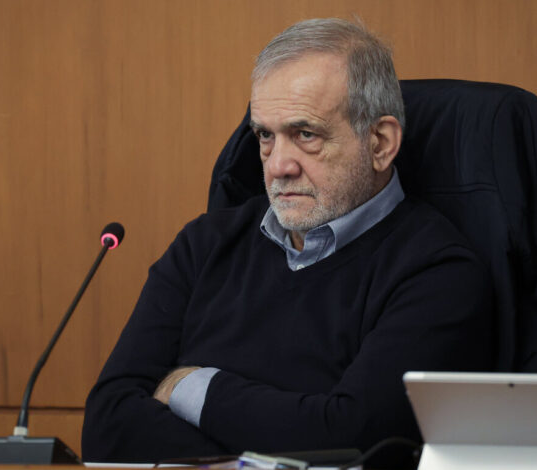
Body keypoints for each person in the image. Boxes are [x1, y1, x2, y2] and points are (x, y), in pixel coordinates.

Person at [82, 18, 494, 462]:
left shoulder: (438, 271)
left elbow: (351, 440)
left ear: (380, 143)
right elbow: (107, 426)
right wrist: (256, 454)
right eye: (265, 135)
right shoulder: (204, 244)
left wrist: (188, 386)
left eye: (305, 135)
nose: (278, 165)